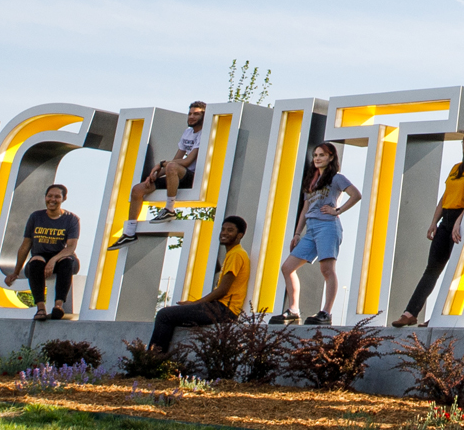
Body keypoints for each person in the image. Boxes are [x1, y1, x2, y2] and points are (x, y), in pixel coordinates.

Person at [396, 130, 464, 328]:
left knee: (455, 271)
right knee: (432, 268)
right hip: (446, 219)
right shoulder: (456, 168)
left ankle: (440, 317)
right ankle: (410, 313)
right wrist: (434, 221)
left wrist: (460, 221)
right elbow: (445, 197)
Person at [274, 142, 363, 326]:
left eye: (322, 155)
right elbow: (306, 208)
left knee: (327, 270)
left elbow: (356, 194)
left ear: (331, 157)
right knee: (288, 268)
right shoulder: (312, 181)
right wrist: (297, 233)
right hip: (311, 229)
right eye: (315, 155)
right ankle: (293, 310)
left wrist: (337, 210)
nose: (317, 158)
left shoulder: (337, 178)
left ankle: (326, 312)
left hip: (328, 226)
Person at [113, 100, 208, 246]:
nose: (191, 117)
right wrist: (156, 174)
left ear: (204, 116)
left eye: (196, 114)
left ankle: (169, 209)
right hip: (177, 174)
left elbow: (188, 161)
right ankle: (130, 232)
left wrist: (162, 164)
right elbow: (177, 158)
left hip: (193, 177)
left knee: (171, 166)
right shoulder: (188, 132)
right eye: (190, 113)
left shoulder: (204, 134)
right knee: (138, 189)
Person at [150, 216, 250, 353]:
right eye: (223, 229)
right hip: (221, 309)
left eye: (230, 230)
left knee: (164, 315)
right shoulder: (232, 254)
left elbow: (223, 290)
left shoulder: (237, 254)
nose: (225, 233)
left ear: (240, 235)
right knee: (171, 316)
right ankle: (158, 360)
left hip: (224, 310)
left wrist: (195, 304)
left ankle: (152, 359)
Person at [2, 184, 81, 321]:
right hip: (41, 257)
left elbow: (71, 247)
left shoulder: (71, 219)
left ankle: (58, 306)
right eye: (50, 196)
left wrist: (53, 260)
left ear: (63, 199)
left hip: (62, 257)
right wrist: (15, 272)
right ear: (45, 197)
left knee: (66, 262)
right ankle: (40, 308)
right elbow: (25, 245)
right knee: (35, 262)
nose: (52, 199)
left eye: (57, 196)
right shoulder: (36, 217)